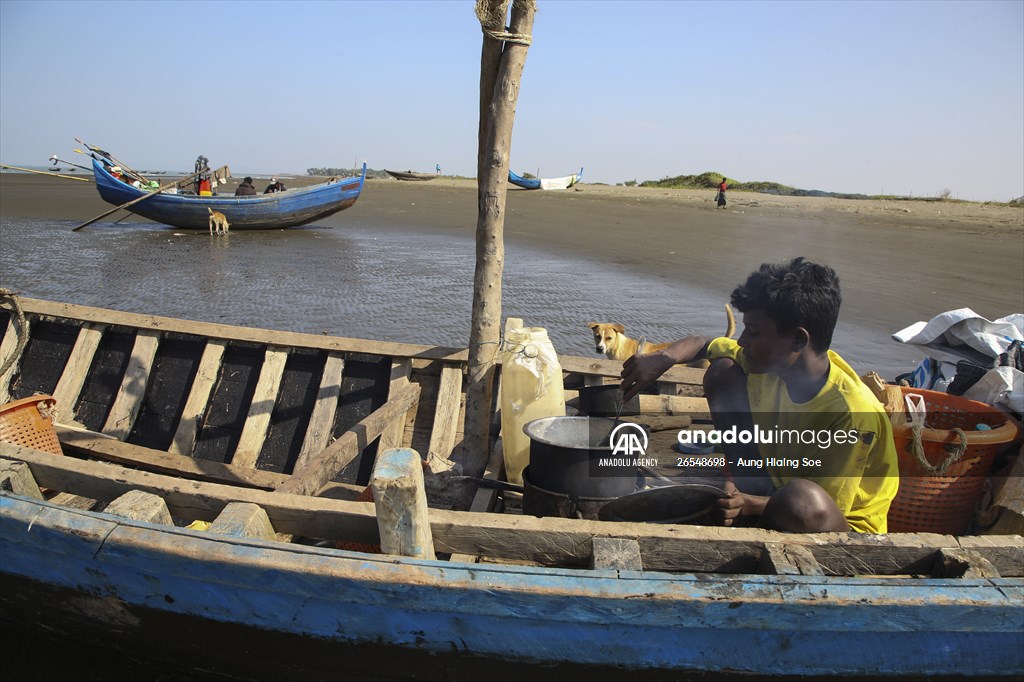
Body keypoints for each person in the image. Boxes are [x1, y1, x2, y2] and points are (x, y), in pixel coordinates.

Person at [620, 257, 899, 533]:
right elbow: (704, 344)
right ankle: (744, 480)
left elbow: (817, 508)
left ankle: (748, 503)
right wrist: (663, 357)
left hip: (839, 529)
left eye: (753, 332)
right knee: (722, 371)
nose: (742, 341)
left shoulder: (851, 415)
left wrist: (752, 505)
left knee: (798, 497)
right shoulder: (774, 363)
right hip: (779, 481)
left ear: (798, 340)